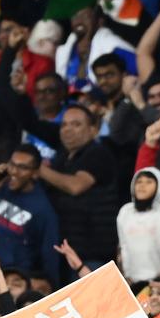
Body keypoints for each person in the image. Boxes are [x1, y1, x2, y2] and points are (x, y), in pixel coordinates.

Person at [38, 105, 118, 277]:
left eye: (76, 124)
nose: (67, 129)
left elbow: (76, 186)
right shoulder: (62, 158)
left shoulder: (98, 153)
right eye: (64, 125)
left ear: (93, 130)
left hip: (92, 255)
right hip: (66, 251)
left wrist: (39, 169)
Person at [0, 144, 60, 276]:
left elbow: (49, 256)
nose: (14, 171)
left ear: (35, 173)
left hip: (11, 278)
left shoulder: (43, 209)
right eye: (12, 164)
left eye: (22, 167)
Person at [116, 167, 160, 284]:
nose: (142, 186)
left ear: (159, 186)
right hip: (133, 280)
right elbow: (124, 245)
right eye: (139, 182)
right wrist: (127, 273)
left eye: (149, 182)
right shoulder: (125, 212)